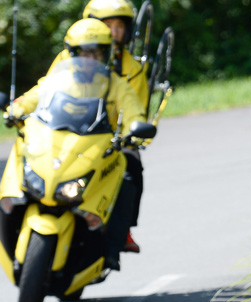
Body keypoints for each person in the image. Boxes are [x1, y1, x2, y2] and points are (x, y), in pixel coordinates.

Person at [4, 18, 146, 271]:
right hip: (57, 143)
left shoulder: (117, 85)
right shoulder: (58, 79)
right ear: (72, 54)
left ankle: (112, 248)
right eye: (83, 52)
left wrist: (134, 129)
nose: (90, 57)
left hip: (98, 150)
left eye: (96, 51)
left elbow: (134, 113)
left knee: (125, 181)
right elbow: (35, 96)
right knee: (17, 166)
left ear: (106, 53)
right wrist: (16, 108)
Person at [83, 0, 148, 254]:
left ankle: (122, 231)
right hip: (70, 131)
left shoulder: (133, 68)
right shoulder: (71, 57)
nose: (112, 32)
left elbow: (137, 105)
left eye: (118, 26)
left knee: (132, 165)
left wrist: (132, 133)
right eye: (105, 25)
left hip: (112, 138)